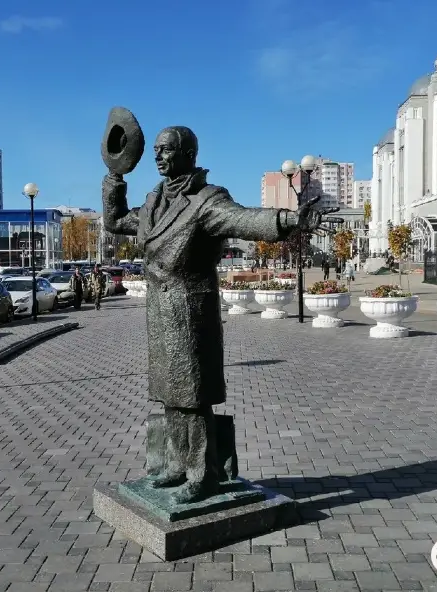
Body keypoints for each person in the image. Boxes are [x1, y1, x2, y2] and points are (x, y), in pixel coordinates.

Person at [102, 125, 339, 504]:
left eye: (166, 150)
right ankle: (177, 465)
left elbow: (244, 219)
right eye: (157, 151)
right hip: (160, 312)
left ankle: (203, 475)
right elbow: (114, 222)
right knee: (169, 392)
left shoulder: (206, 201)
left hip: (191, 310)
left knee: (193, 395)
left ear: (189, 155)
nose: (159, 156)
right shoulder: (152, 202)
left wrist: (290, 220)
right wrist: (115, 176)